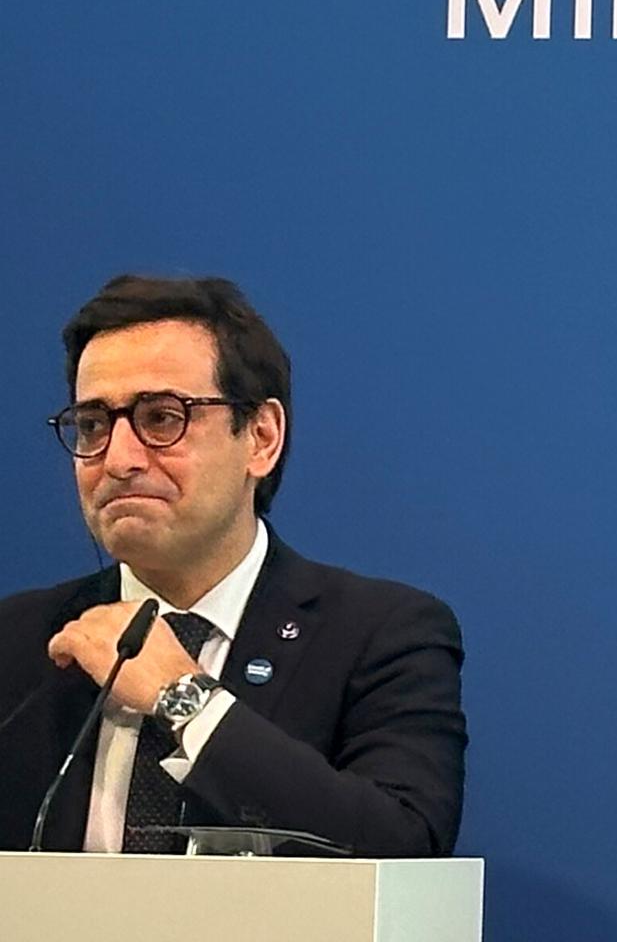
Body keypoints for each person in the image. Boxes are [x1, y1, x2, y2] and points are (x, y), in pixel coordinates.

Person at [0, 274, 465, 856]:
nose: (117, 459)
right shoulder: (18, 643)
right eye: (93, 425)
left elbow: (405, 847)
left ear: (261, 438)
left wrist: (183, 696)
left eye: (162, 418)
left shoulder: (382, 636)